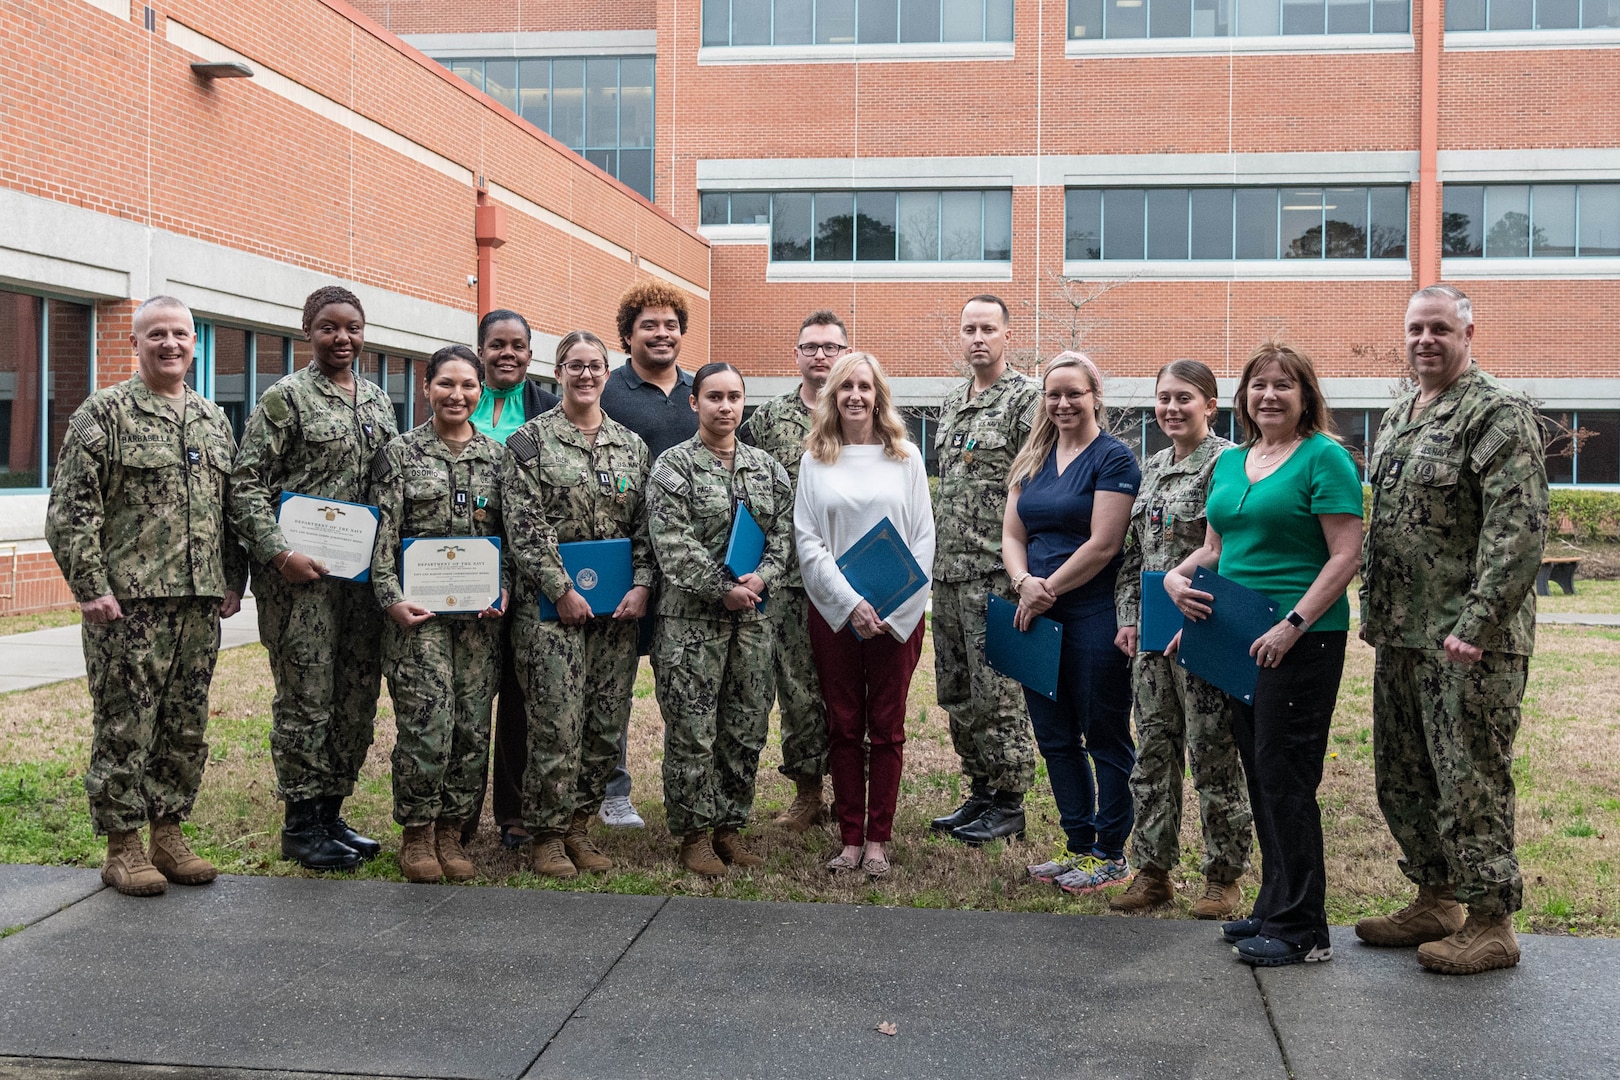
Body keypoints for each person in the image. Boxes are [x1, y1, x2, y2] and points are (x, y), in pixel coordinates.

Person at [1355, 285, 1548, 975]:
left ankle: (1492, 919)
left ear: (1469, 332)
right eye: (1415, 329)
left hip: (1470, 643)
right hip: (1405, 635)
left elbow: (1517, 528)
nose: (1425, 340)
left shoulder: (1496, 414)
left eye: (1440, 328)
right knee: (1404, 774)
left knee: (1470, 778)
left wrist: (1478, 621)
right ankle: (1435, 898)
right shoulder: (1403, 412)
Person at [1164, 341, 1364, 967]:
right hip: (1238, 634)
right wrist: (1176, 577)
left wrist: (1295, 624)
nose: (1269, 395)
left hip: (1300, 638)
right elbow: (1217, 549)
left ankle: (1305, 929)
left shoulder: (1324, 459)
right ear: (1244, 396)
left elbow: (1345, 555)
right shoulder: (1232, 463)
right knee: (1260, 774)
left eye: (1283, 385)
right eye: (1258, 385)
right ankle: (1276, 903)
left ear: (1305, 395)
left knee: (1287, 778)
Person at [45, 296, 247, 896]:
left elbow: (230, 510)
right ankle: (122, 845)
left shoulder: (213, 421)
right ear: (135, 344)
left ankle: (169, 832)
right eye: (155, 334)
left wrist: (232, 579)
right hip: (128, 607)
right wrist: (91, 590)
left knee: (185, 724)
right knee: (125, 725)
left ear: (194, 344)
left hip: (198, 604)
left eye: (180, 334)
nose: (170, 344)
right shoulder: (103, 415)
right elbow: (70, 511)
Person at [230, 285, 398, 872]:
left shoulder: (378, 403)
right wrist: (278, 554)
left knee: (354, 697)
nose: (343, 338)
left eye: (352, 327)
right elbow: (245, 485)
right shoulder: (286, 399)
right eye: (329, 327)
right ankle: (300, 826)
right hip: (300, 583)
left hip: (358, 582)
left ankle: (332, 812)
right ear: (309, 332)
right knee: (307, 699)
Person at [501, 330, 654, 879]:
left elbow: (644, 528)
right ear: (558, 372)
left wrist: (640, 584)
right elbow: (524, 528)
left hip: (616, 616)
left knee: (603, 724)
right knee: (555, 724)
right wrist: (560, 589)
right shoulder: (528, 443)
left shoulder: (632, 446)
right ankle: (545, 833)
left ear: (607, 375)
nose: (585, 375)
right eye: (574, 365)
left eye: (595, 366)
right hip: (550, 615)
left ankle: (579, 826)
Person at [1108, 360, 1252, 919]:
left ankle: (1223, 877)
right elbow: (1133, 557)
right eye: (1164, 397)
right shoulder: (1151, 468)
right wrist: (1129, 618)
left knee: (1212, 751)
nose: (1171, 408)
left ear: (1211, 406)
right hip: (1152, 636)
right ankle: (1152, 870)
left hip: (1205, 627)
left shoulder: (1229, 465)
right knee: (1154, 750)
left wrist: (1199, 614)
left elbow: (1234, 552)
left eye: (1184, 398)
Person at [646, 363, 794, 877]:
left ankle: (729, 826)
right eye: (714, 397)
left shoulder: (766, 468)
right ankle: (692, 834)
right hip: (692, 624)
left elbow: (783, 536)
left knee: (745, 727)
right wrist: (723, 588)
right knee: (692, 730)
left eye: (734, 397)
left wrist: (762, 579)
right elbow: (672, 544)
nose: (725, 407)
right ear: (694, 403)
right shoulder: (673, 467)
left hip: (752, 623)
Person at [1001, 354, 1140, 893]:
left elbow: (1104, 544)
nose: (1062, 404)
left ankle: (1112, 852)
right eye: (1053, 394)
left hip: (1090, 613)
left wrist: (1048, 588)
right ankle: (1077, 844)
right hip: (1032, 613)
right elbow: (1013, 535)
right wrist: (1023, 585)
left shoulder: (1115, 458)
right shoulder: (1032, 456)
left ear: (1095, 395)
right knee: (1055, 739)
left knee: (1104, 735)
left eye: (1073, 394)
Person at [370, 344, 508, 883]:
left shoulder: (498, 460)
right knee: (427, 724)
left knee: (472, 728)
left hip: (479, 622)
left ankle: (453, 832)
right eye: (446, 384)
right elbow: (383, 536)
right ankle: (418, 834)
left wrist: (505, 589)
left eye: (469, 385)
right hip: (418, 617)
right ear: (427, 387)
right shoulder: (400, 455)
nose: (458, 395)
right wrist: (390, 598)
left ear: (481, 390)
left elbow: (513, 536)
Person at [795, 352, 935, 878]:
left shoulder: (905, 457)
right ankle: (850, 838)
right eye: (846, 386)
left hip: (896, 617)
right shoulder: (816, 458)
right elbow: (808, 543)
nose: (856, 395)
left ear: (879, 395)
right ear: (833, 395)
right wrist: (850, 604)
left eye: (865, 386)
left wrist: (892, 608)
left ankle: (879, 838)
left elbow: (923, 539)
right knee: (845, 726)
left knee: (888, 727)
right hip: (836, 615)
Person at [930, 294, 1042, 844]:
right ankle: (979, 790)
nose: (978, 338)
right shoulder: (951, 402)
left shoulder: (1027, 401)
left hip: (996, 573)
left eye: (988, 329)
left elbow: (1037, 488)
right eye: (969, 328)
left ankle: (1010, 801)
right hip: (947, 573)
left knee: (998, 693)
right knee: (956, 690)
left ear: (1006, 335)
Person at [595, 279, 700, 829]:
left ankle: (687, 791)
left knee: (683, 684)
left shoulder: (699, 391)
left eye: (670, 325)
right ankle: (613, 792)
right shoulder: (607, 391)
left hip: (687, 571)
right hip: (622, 564)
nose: (662, 334)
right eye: (649, 325)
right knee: (613, 686)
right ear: (627, 334)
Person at [740, 309, 847, 831]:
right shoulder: (768, 419)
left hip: (850, 575)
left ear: (846, 353)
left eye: (830, 347)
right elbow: (747, 492)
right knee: (799, 686)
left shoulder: (860, 411)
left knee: (853, 686)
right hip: (787, 579)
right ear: (797, 355)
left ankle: (856, 792)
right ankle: (809, 793)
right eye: (811, 347)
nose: (821, 355)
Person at [469, 309, 560, 850]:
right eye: (497, 344)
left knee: (523, 697)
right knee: (470, 693)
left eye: (518, 345)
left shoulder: (548, 410)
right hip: (467, 570)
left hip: (530, 573)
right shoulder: (455, 398)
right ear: (480, 350)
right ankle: (455, 815)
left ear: (531, 353)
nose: (508, 354)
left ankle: (515, 813)